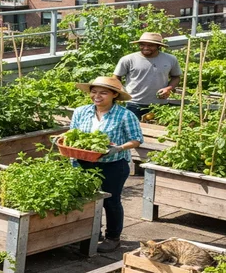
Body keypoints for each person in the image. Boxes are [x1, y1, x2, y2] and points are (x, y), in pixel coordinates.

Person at [71, 76, 143, 253]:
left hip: (113, 165)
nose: (97, 96)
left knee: (111, 201)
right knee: (86, 201)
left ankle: (113, 237)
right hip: (83, 162)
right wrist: (63, 139)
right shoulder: (81, 111)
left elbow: (136, 140)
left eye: (103, 93)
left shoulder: (125, 115)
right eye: (94, 92)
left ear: (114, 95)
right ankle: (93, 233)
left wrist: (118, 148)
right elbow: (72, 133)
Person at [114, 32, 181, 120]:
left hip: (159, 103)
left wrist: (168, 88)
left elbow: (176, 77)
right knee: (131, 130)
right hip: (133, 103)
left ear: (158, 46)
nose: (146, 48)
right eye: (142, 45)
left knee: (156, 131)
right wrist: (121, 90)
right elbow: (115, 78)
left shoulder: (170, 59)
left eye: (150, 45)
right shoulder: (128, 59)